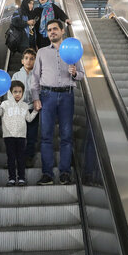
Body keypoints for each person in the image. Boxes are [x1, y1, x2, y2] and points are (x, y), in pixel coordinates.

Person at [30, 19, 84, 185]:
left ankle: (65, 173)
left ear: (62, 31)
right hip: (47, 96)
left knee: (66, 136)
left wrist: (75, 73)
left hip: (67, 96)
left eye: (55, 29)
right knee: (46, 136)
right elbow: (35, 77)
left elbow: (82, 74)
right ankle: (47, 174)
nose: (51, 32)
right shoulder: (42, 53)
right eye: (49, 30)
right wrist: (36, 98)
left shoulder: (73, 51)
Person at [0, 80, 38, 186]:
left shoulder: (25, 105)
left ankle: (21, 178)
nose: (17, 94)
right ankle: (12, 178)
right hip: (9, 136)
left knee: (21, 157)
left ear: (23, 93)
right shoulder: (5, 104)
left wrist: (35, 111)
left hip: (21, 136)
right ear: (10, 92)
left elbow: (29, 119)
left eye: (20, 92)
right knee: (11, 157)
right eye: (15, 92)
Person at [10, 48, 39, 167]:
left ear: (35, 61)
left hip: (32, 109)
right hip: (19, 109)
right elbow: (11, 92)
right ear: (22, 61)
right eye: (26, 58)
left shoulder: (37, 76)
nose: (29, 61)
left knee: (31, 135)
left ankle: (28, 157)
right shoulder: (16, 75)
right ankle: (16, 158)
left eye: (32, 59)